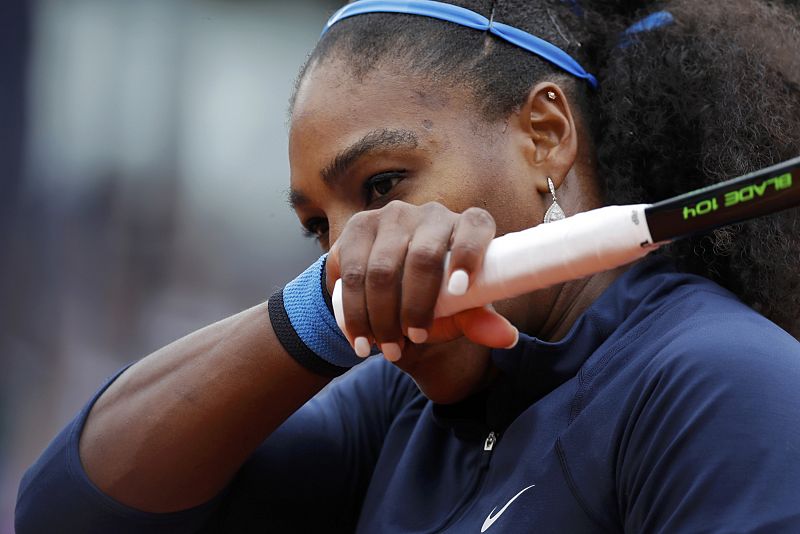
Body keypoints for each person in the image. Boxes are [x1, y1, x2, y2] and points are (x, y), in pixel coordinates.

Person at [16, 0, 800, 532]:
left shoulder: (718, 380)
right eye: (319, 230)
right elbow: (66, 513)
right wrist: (316, 314)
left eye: (384, 186)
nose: (351, 250)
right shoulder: (393, 408)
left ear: (546, 134)